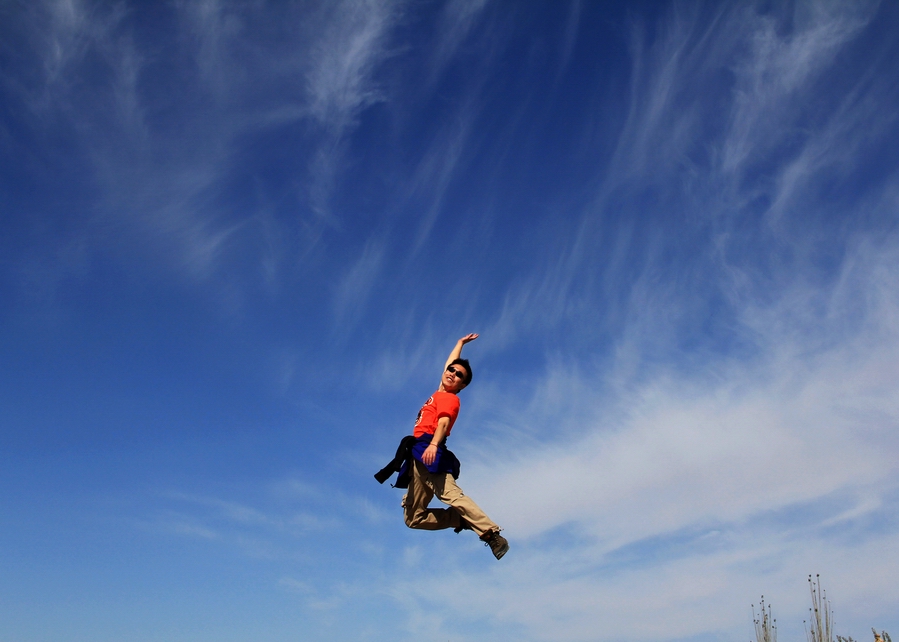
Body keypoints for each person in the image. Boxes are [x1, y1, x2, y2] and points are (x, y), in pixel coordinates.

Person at [376, 333, 509, 560]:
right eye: (451, 371)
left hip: (430, 450)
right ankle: (458, 519)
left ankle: (491, 533)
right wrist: (460, 344)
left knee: (450, 494)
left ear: (462, 385)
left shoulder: (449, 398)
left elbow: (444, 422)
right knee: (413, 519)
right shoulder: (439, 392)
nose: (452, 374)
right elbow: (449, 365)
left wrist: (434, 445)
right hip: (418, 455)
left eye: (459, 375)